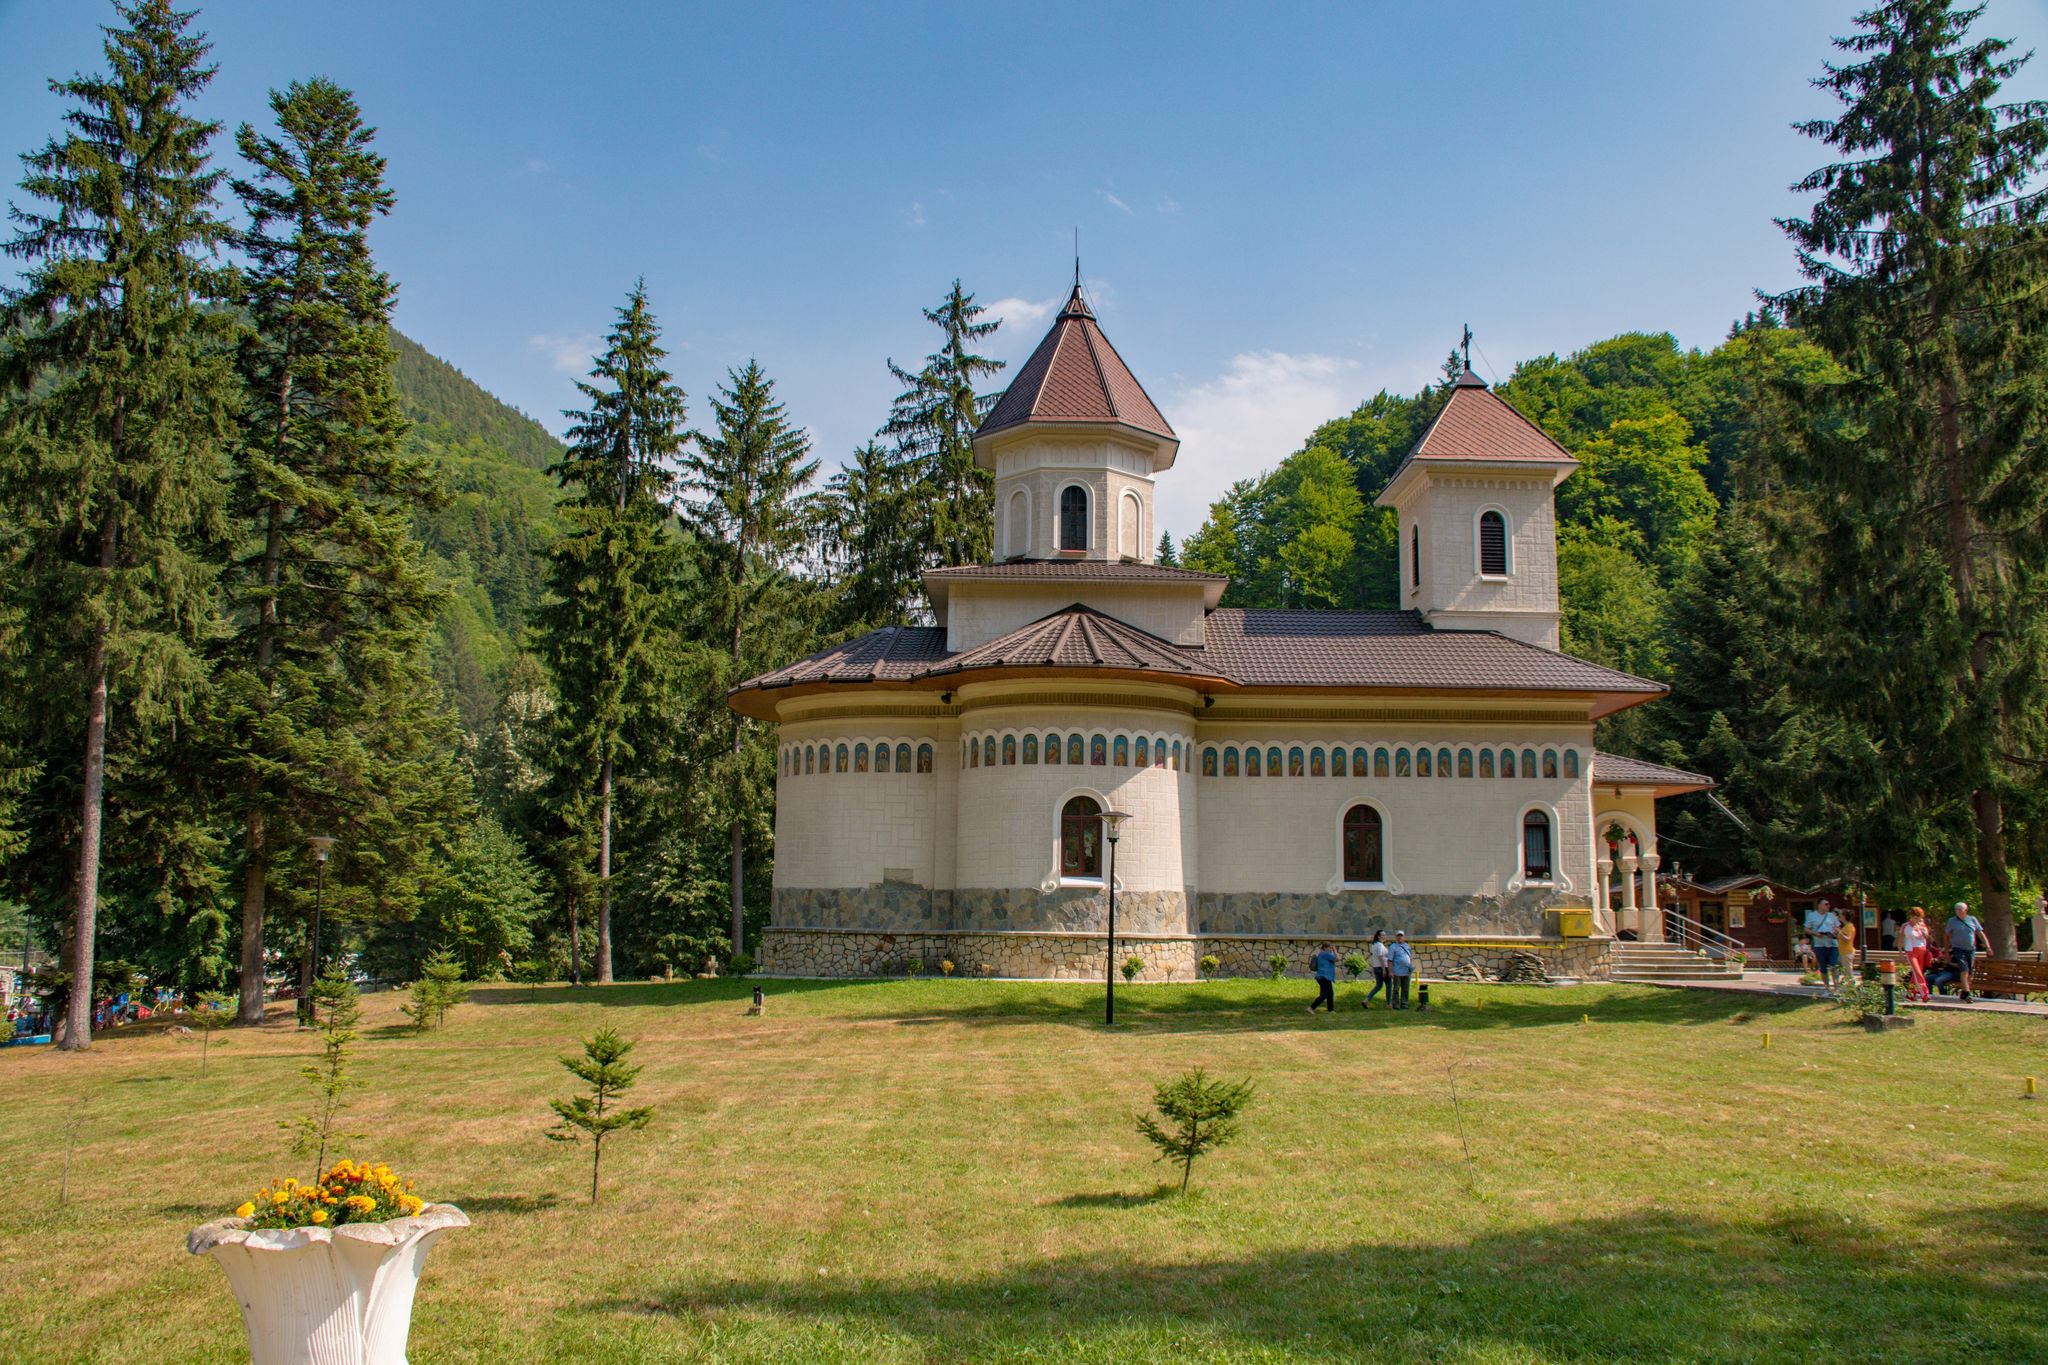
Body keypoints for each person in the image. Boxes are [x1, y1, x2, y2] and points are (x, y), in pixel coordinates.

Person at [1945, 901, 1992, 1003]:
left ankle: (1964, 992)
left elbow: (1980, 933)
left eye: (1960, 909)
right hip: (1957, 948)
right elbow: (1947, 936)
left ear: (1965, 910)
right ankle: (1968, 993)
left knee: (1970, 972)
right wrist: (1947, 950)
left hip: (1970, 949)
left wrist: (1988, 947)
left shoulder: (1972, 920)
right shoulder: (1952, 921)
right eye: (1956, 909)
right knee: (1964, 970)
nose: (1958, 911)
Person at [1899, 906, 1932, 1002]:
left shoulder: (1922, 926)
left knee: (1917, 974)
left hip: (1921, 950)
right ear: (1911, 916)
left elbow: (1927, 938)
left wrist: (1922, 929)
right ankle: (1925, 994)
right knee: (1917, 973)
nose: (1917, 920)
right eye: (1915, 917)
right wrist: (1900, 953)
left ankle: (1911, 993)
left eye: (1919, 918)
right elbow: (1900, 939)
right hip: (1911, 951)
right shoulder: (1905, 926)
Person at [1810, 900, 1843, 988]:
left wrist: (1836, 932)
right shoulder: (1812, 916)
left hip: (1832, 944)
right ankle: (1827, 986)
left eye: (1829, 904)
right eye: (1826, 904)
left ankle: (1836, 986)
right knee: (1823, 967)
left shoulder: (1832, 916)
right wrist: (1815, 933)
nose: (1828, 906)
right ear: (1819, 905)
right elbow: (1806, 929)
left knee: (1834, 965)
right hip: (1819, 944)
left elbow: (1839, 928)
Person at [1363, 930, 1390, 1009]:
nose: (1384, 936)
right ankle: (1389, 1004)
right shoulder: (1380, 945)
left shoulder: (1374, 945)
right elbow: (1380, 957)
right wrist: (1384, 969)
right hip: (1382, 967)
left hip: (1376, 967)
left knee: (1378, 985)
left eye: (1385, 935)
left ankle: (1367, 999)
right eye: (1383, 935)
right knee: (1388, 985)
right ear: (1378, 936)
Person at [1387, 931, 1414, 1009]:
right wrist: (1390, 971)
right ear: (1396, 937)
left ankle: (1404, 1004)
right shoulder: (1393, 947)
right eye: (1398, 936)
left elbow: (1410, 958)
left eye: (1401, 936)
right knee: (1396, 989)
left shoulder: (1407, 946)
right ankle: (1395, 1005)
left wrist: (1410, 966)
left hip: (1406, 971)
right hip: (1397, 972)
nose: (1399, 937)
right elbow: (1390, 960)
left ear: (1404, 937)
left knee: (1405, 989)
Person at [1308, 943, 1337, 1014]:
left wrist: (1332, 951)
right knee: (1324, 995)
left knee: (1330, 994)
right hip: (1324, 977)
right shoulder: (1325, 954)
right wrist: (1335, 950)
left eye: (1331, 948)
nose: (1331, 949)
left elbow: (1332, 958)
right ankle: (1311, 1008)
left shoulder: (1322, 954)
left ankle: (1331, 1010)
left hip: (1323, 977)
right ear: (1325, 948)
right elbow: (1337, 959)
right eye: (1330, 948)